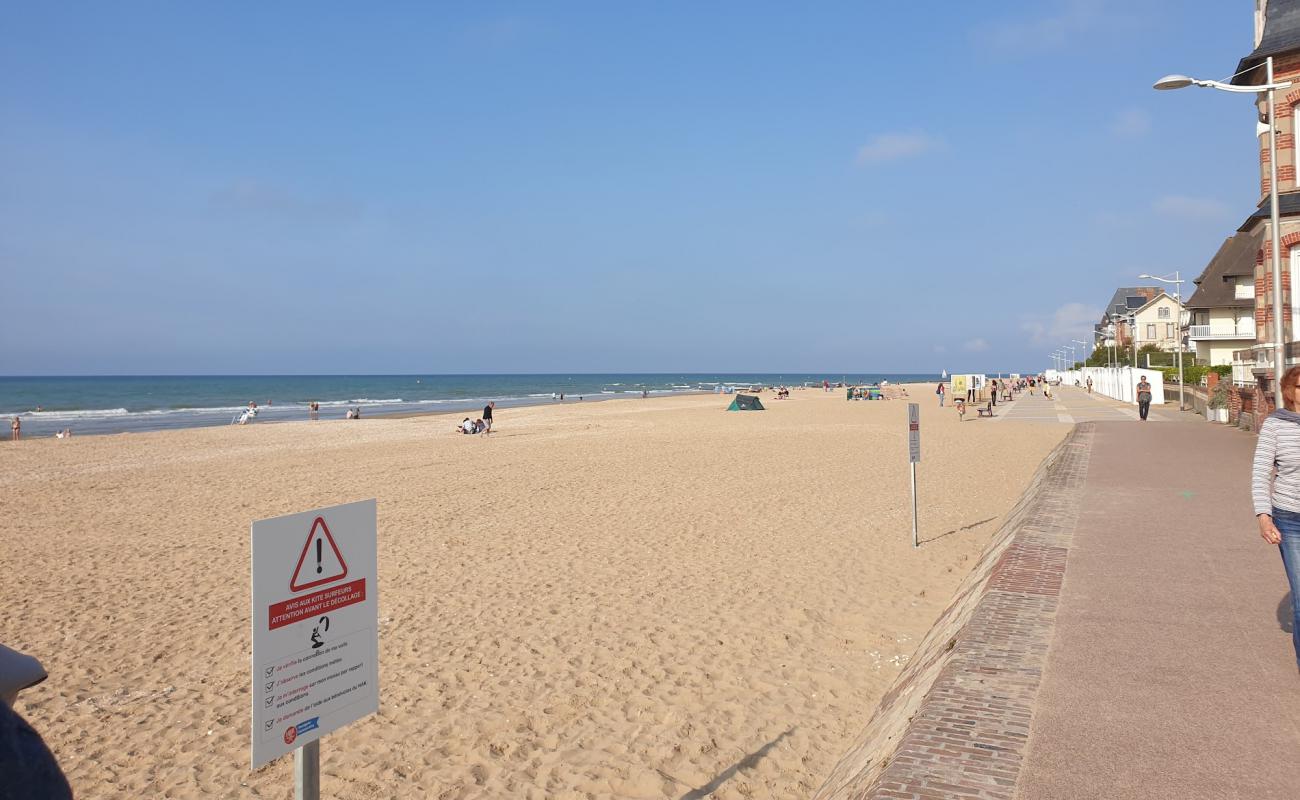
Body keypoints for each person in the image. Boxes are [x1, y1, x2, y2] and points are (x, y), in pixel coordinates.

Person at [1251, 365, 1300, 670]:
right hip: (1290, 518)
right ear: (1290, 392)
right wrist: (1263, 517)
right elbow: (1260, 472)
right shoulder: (1276, 425)